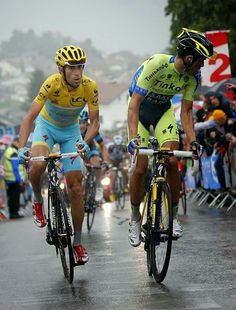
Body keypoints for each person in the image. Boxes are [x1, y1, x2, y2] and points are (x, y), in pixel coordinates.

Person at [127, 28, 215, 246]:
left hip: (162, 113)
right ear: (188, 57)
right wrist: (132, 139)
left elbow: (186, 111)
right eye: (200, 60)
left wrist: (192, 140)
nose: (202, 65)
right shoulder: (157, 64)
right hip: (140, 111)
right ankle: (135, 217)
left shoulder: (193, 76)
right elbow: (134, 104)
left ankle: (173, 216)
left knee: (172, 159)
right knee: (140, 167)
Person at [17, 45, 100, 264]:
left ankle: (78, 243)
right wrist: (21, 147)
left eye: (80, 67)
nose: (77, 72)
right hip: (46, 128)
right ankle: (37, 201)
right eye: (71, 67)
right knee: (38, 165)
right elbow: (28, 118)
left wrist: (84, 141)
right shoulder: (51, 84)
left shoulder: (89, 86)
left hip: (70, 132)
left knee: (75, 186)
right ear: (61, 69)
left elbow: (95, 122)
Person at [79, 109, 109, 202]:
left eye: (84, 122)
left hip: (90, 148)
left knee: (96, 161)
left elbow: (102, 146)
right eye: (79, 123)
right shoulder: (72, 129)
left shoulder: (92, 129)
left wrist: (106, 161)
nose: (82, 126)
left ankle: (99, 186)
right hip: (77, 149)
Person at [3, 137, 25, 219]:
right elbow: (15, 168)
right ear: (15, 142)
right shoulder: (13, 152)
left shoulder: (9, 150)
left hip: (9, 179)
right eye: (19, 143)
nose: (20, 145)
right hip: (14, 179)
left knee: (11, 197)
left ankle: (12, 213)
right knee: (15, 197)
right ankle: (14, 213)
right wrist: (19, 180)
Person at [107, 134, 128, 199]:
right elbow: (108, 156)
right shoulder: (111, 147)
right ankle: (112, 192)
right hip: (113, 162)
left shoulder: (124, 147)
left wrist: (126, 164)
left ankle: (125, 186)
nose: (118, 146)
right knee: (113, 176)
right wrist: (109, 165)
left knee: (124, 171)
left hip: (121, 162)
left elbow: (127, 155)